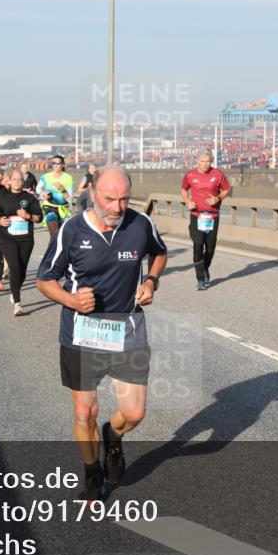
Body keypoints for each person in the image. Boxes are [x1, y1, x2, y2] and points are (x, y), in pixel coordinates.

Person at [36, 165, 167, 500]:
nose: (116, 207)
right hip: (83, 332)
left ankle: (113, 436)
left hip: (128, 330)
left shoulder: (140, 224)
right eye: (109, 199)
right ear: (92, 193)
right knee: (84, 412)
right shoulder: (71, 230)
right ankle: (92, 475)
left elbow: (159, 253)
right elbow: (44, 280)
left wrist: (151, 281)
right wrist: (71, 300)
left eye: (124, 199)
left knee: (135, 413)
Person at [0, 170, 43, 316]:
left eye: (19, 180)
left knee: (22, 271)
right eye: (14, 179)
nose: (16, 182)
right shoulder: (2, 197)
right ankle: (17, 304)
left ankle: (15, 290)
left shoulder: (29, 198)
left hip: (26, 239)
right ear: (9, 181)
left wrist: (27, 215)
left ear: (23, 182)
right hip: (7, 237)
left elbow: (39, 217)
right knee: (14, 267)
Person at [180, 150, 230, 290]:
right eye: (202, 161)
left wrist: (218, 198)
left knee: (210, 249)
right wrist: (187, 201)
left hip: (212, 216)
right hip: (197, 215)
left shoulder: (217, 174)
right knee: (198, 244)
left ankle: (205, 268)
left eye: (208, 161)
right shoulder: (190, 175)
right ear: (197, 162)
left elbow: (226, 189)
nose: (205, 164)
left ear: (211, 161)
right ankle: (200, 279)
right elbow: (184, 189)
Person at [37, 155, 74, 240]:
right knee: (54, 235)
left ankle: (57, 252)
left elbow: (70, 199)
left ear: (63, 165)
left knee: (62, 237)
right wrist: (43, 194)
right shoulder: (46, 176)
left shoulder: (68, 178)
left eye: (58, 163)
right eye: (53, 163)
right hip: (49, 207)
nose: (56, 165)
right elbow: (38, 189)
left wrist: (62, 190)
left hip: (62, 209)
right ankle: (51, 253)